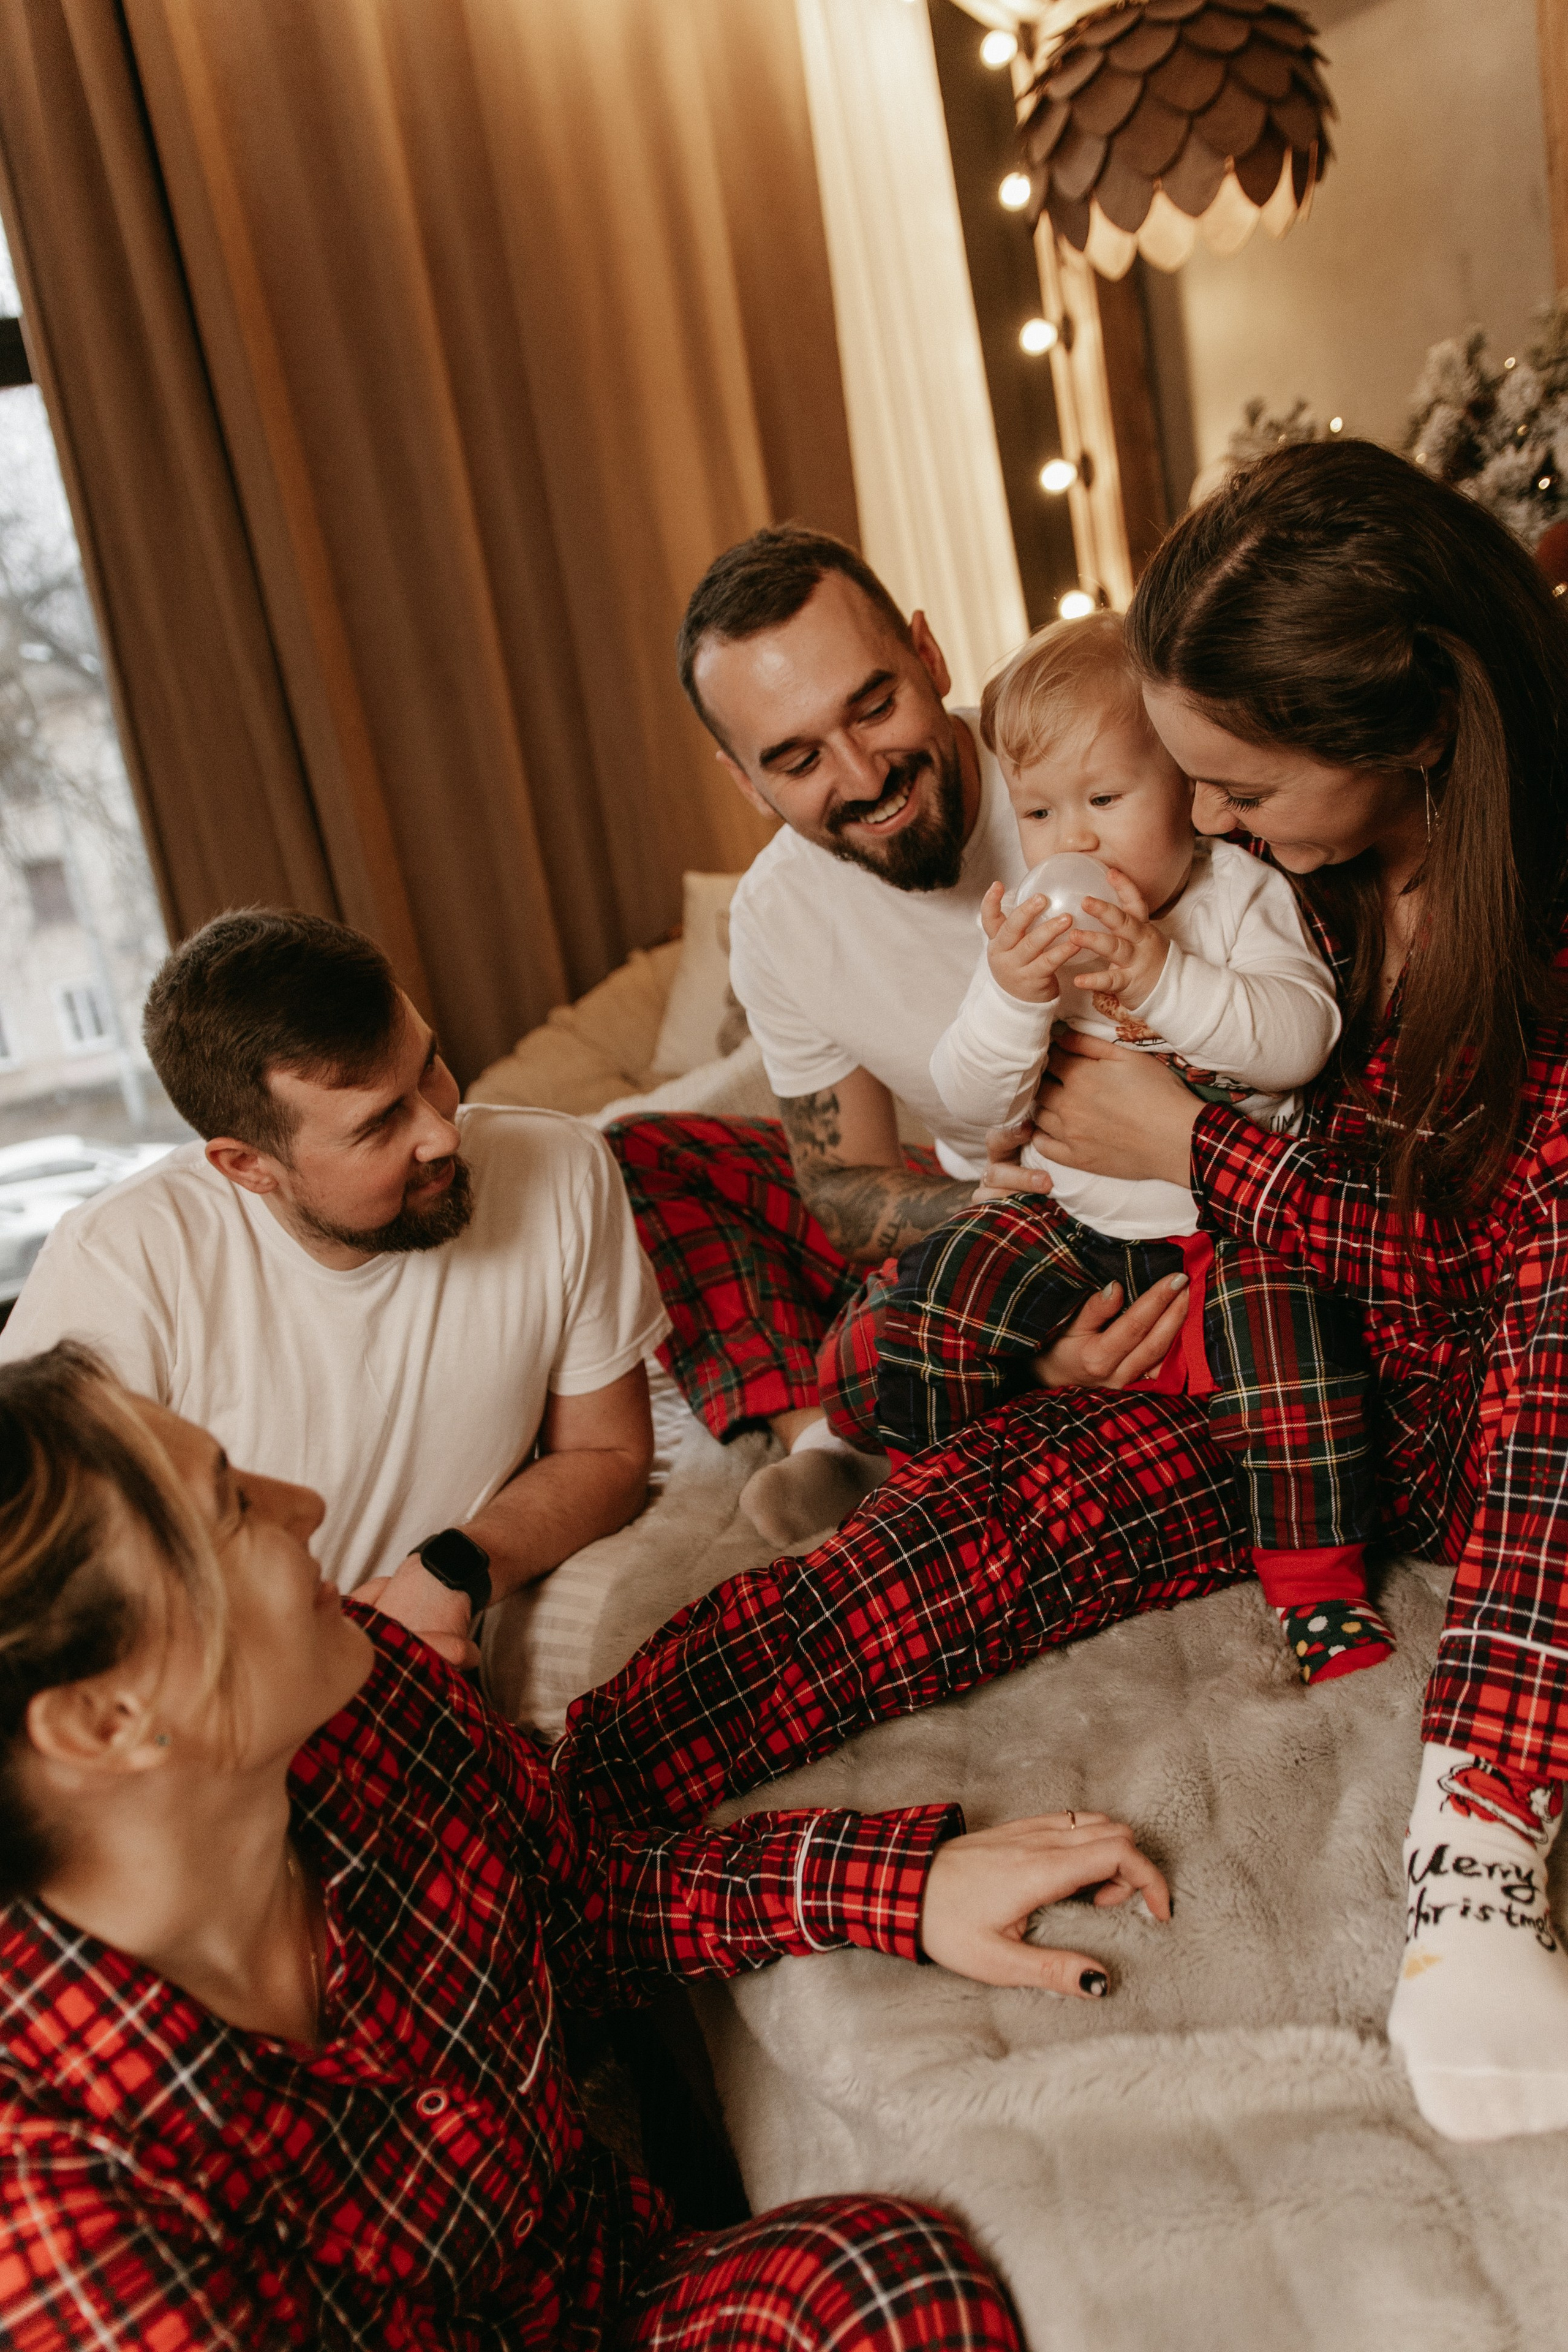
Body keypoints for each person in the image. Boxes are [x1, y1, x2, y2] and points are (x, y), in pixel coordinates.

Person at [554, 440, 1568, 2147]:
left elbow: (1479, 1257)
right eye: (1187, 781)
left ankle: (1481, 1823)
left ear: (1398, 741)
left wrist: (1199, 1152)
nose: (1205, 825)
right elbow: (900, 1161)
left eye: (1231, 787)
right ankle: (591, 1815)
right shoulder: (1279, 868)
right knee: (929, 1555)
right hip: (1269, 1359)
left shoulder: (1494, 906)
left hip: (1494, 1381)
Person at [0, 1343, 1174, 2348]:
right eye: (230, 1509)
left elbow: (565, 1901)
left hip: (606, 2289)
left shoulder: (366, 1702)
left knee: (887, 2279)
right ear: (106, 1721)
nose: (301, 1501)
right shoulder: (65, 2220)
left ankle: (1188, 1461)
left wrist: (886, 1885)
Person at [609, 524, 1191, 1545]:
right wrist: (978, 1209)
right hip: (998, 1203)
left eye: (874, 706)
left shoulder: (1080, 774)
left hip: (1155, 1197)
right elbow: (841, 1185)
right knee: (632, 1152)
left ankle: (897, 1408)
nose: (862, 773)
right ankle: (817, 1440)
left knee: (891, 1340)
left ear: (929, 655)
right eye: (795, 759)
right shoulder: (777, 918)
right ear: (745, 781)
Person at [876, 611, 1390, 1688]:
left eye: (1105, 800)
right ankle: (925, 1496)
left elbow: (1301, 1041)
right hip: (1077, 1216)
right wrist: (1015, 1000)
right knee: (938, 1289)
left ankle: (1318, 1586)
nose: (1076, 843)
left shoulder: (1236, 896)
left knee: (1293, 1343)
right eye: (1041, 812)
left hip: (1227, 1225)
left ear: (1188, 790)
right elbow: (972, 1110)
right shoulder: (1022, 932)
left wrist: (1162, 981)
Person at [0, 911, 668, 1669]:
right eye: (380, 1124)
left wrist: (451, 1572)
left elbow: (608, 1452)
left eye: (428, 1065)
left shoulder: (561, 1166)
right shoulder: (115, 1263)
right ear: (248, 1166)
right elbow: (38, 1591)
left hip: (430, 1677)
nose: (443, 1133)